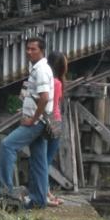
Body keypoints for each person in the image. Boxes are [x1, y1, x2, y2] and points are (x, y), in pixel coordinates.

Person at [0, 37, 53, 209]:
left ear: (42, 51)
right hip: (40, 120)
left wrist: (33, 119)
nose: (29, 52)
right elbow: (36, 96)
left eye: (33, 49)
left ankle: (5, 189)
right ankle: (39, 200)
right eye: (28, 49)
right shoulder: (37, 68)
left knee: (7, 145)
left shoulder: (41, 70)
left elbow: (44, 97)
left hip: (36, 122)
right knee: (39, 161)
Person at [45, 51, 67, 207]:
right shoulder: (57, 83)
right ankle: (44, 193)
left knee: (42, 159)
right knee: (46, 160)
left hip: (45, 119)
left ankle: (46, 192)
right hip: (54, 121)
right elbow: (54, 107)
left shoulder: (44, 80)